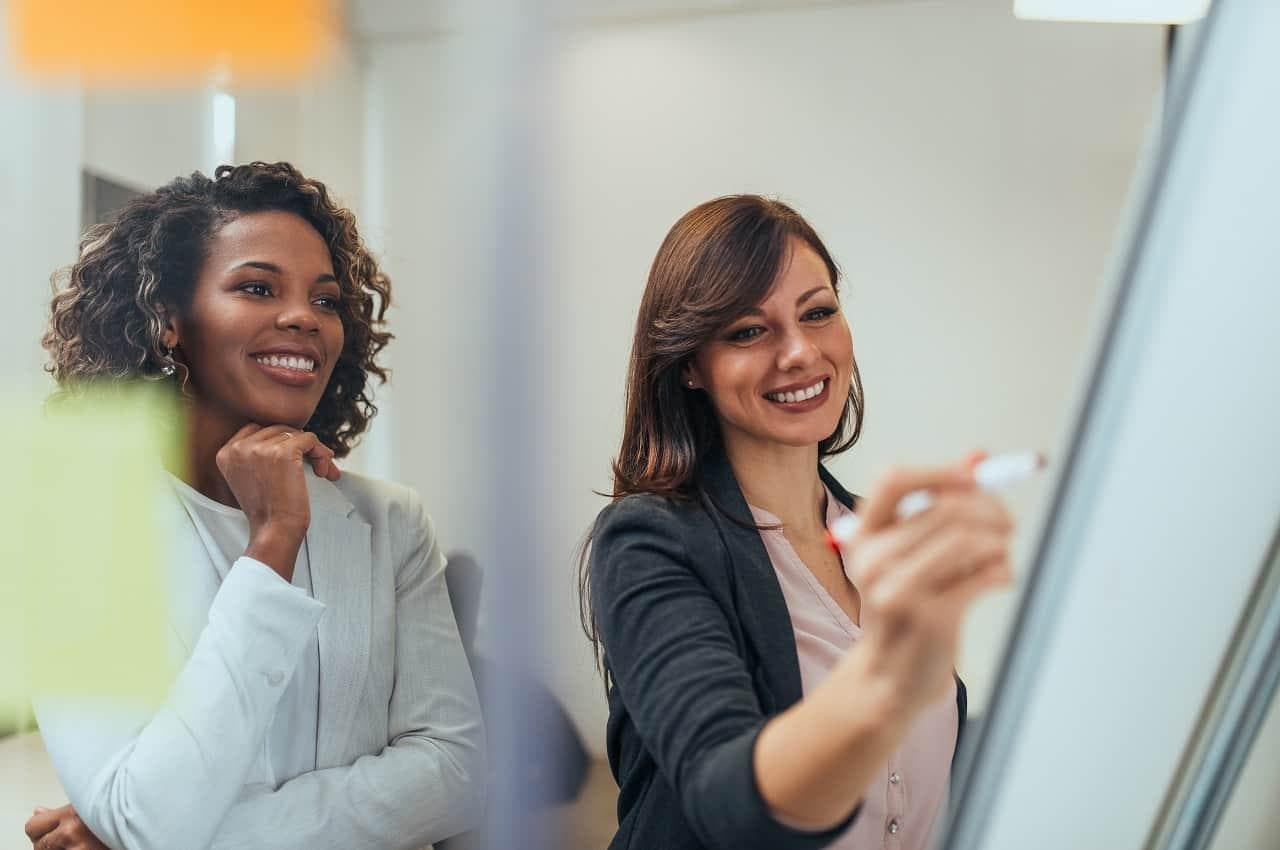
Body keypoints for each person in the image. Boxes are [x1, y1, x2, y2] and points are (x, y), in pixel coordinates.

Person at [25, 162, 485, 850]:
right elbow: (145, 817)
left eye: (326, 301)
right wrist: (273, 542)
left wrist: (175, 837)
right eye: (257, 287)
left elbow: (456, 771)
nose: (304, 317)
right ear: (170, 322)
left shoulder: (391, 524)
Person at [581, 195, 1014, 850]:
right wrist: (892, 674)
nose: (800, 352)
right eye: (749, 331)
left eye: (818, 314)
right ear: (691, 365)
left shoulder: (879, 538)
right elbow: (726, 803)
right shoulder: (648, 541)